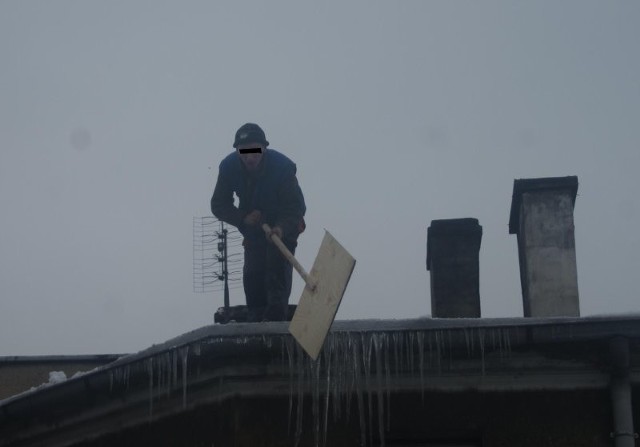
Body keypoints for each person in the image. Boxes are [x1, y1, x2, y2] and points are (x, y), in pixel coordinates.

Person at [211, 123, 306, 322]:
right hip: (254, 229)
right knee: (253, 280)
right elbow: (219, 204)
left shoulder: (282, 168)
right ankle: (256, 327)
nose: (250, 157)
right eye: (243, 152)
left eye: (255, 151)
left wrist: (280, 228)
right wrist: (242, 218)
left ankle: (275, 328)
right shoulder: (228, 167)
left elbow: (295, 208)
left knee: (276, 281)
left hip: (284, 228)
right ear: (237, 151)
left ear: (264, 148)